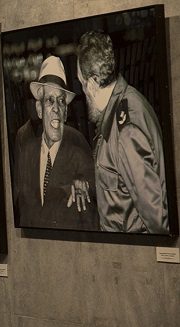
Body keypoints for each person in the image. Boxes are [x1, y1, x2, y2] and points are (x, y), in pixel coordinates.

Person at [77, 31, 168, 233]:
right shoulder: (125, 104)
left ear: (91, 84)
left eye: (82, 83)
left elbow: (157, 220)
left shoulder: (126, 130)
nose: (83, 91)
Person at [14, 55, 97, 230]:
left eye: (61, 101)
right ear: (39, 109)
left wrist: (84, 183)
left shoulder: (78, 146)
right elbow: (24, 213)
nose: (56, 108)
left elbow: (92, 184)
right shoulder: (27, 153)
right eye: (49, 101)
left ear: (66, 112)